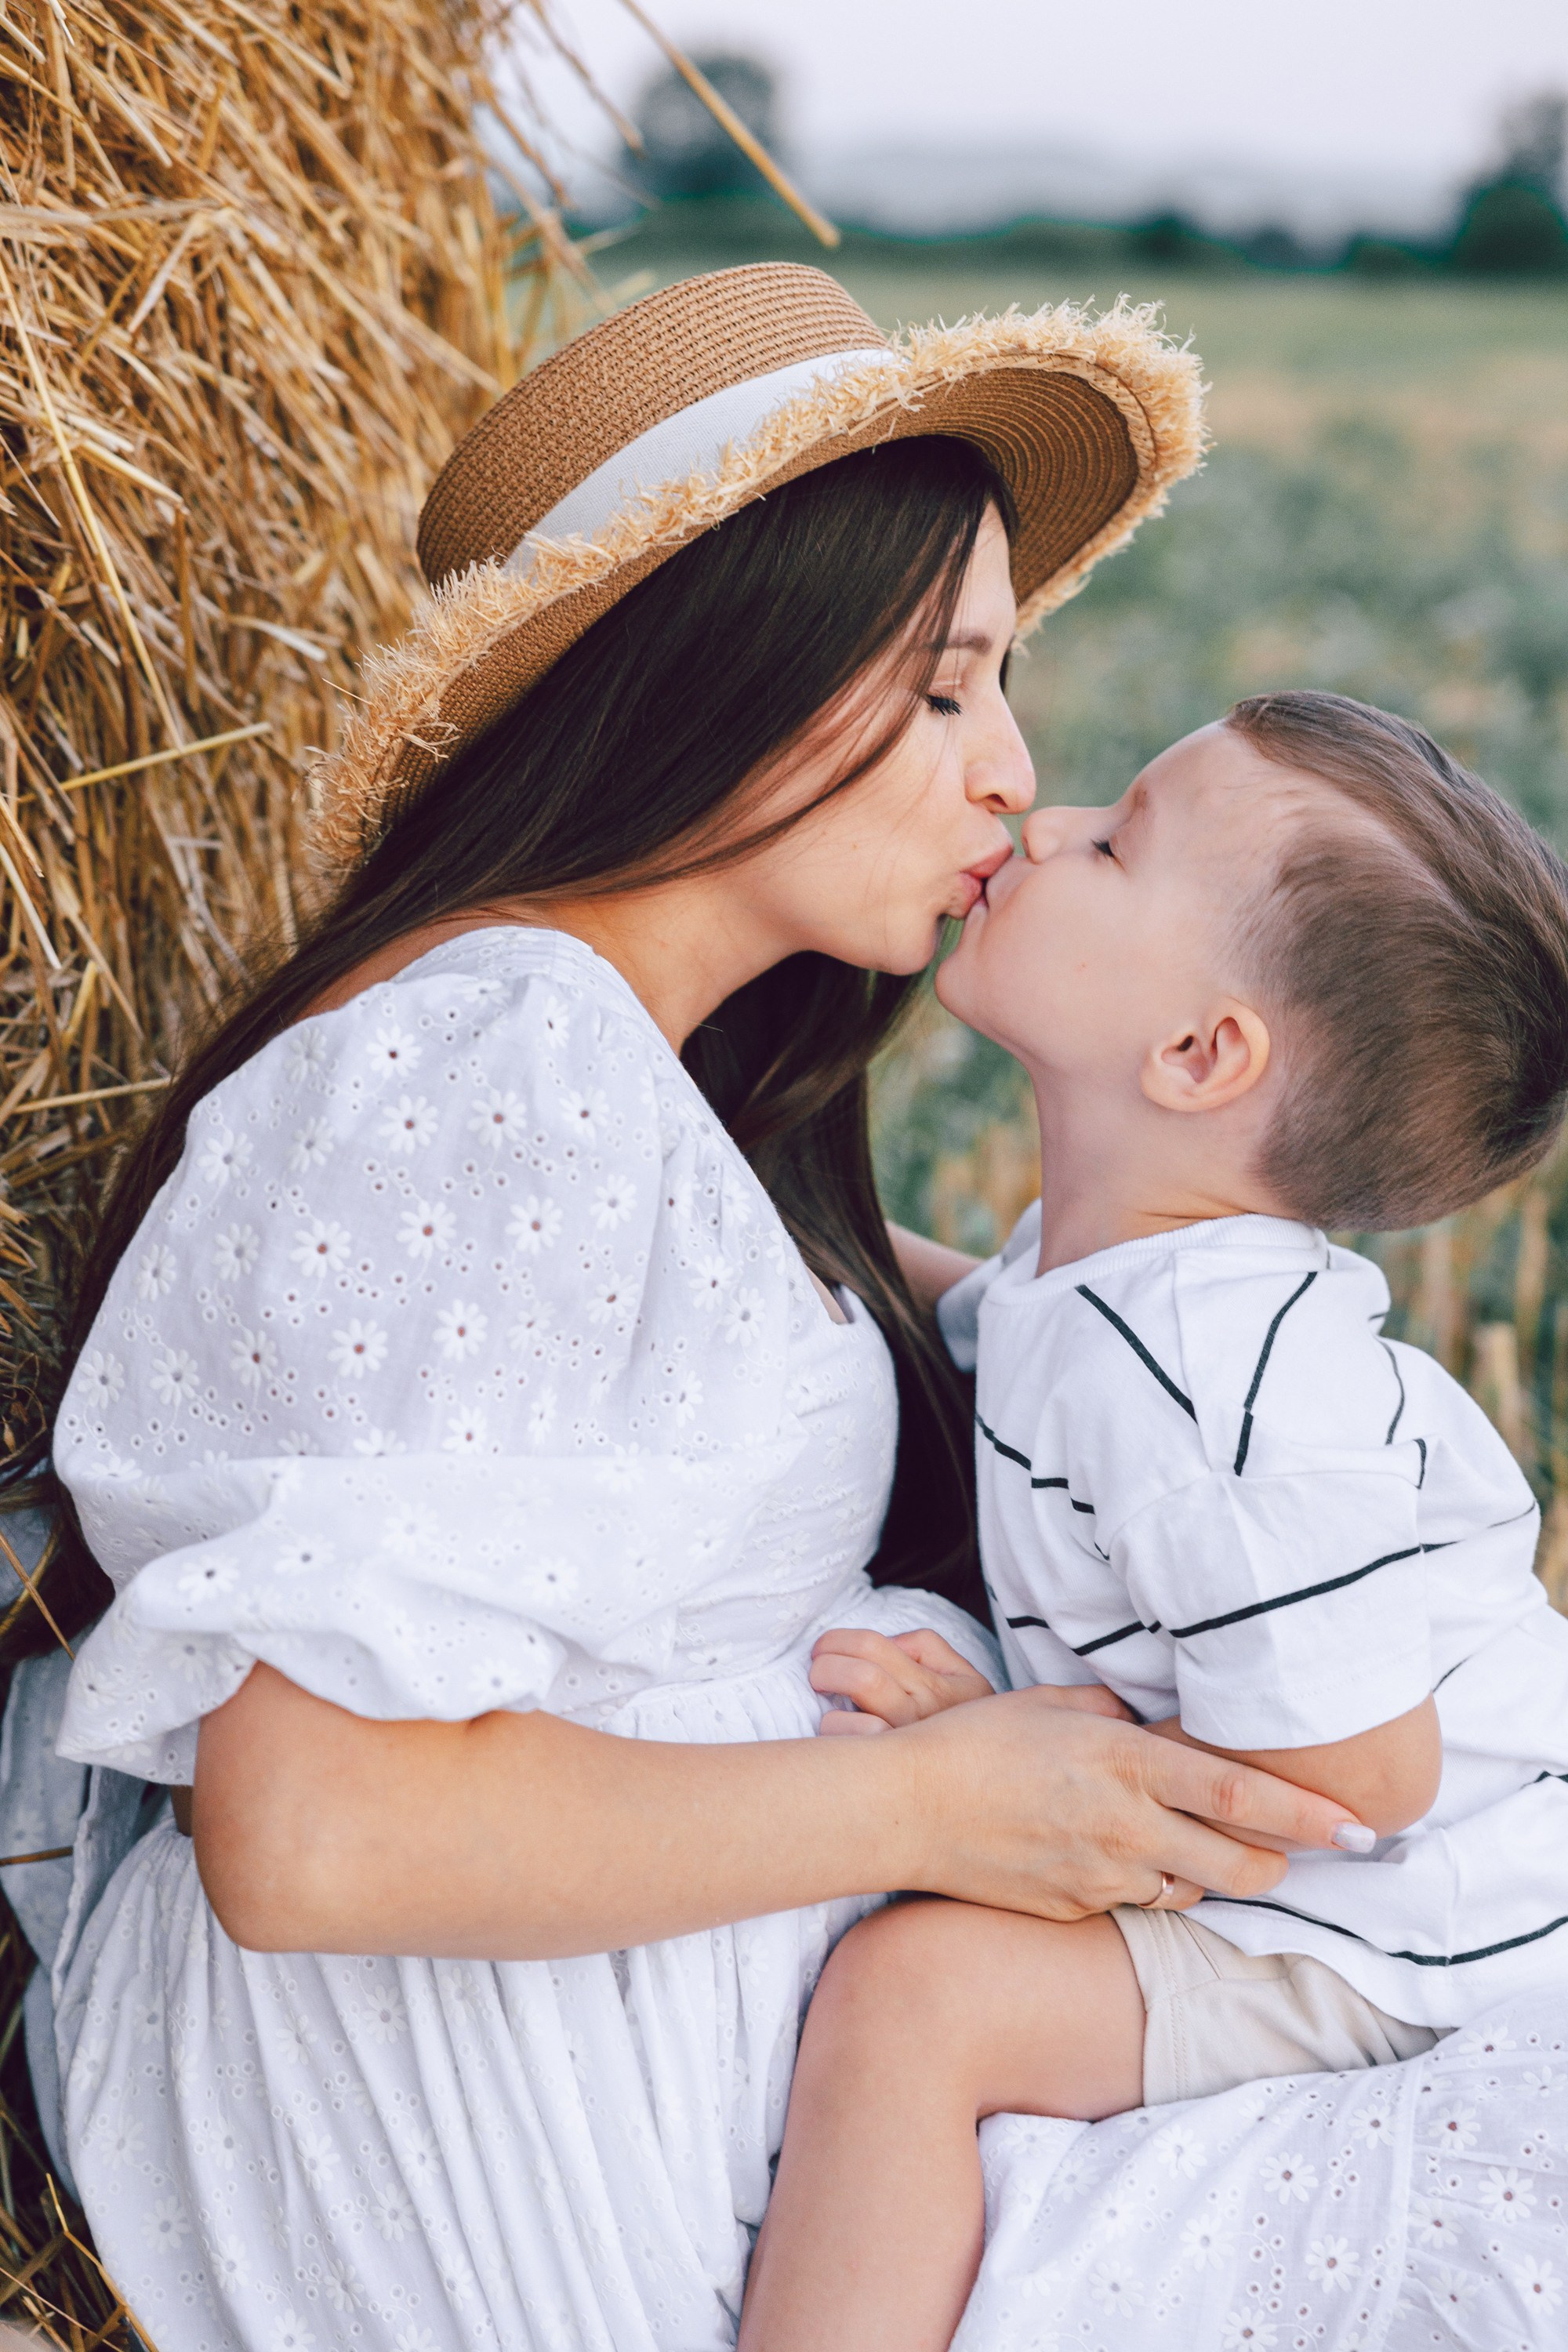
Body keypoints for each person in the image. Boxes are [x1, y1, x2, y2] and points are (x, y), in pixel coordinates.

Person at [6, 266, 1367, 2352]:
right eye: (943, 687)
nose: (1014, 773)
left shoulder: (638, 1094)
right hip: (496, 2153)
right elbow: (310, 1829)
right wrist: (942, 1804)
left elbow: (1009, 1366)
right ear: (725, 670)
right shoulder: (494, 1070)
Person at [739, 691, 1568, 2352]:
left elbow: (1363, 1776)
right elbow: (982, 1338)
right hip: (1380, 1875)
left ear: (1198, 1056)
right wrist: (747, 1199)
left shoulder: (1224, 1389)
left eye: (1112, 845)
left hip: (1405, 1930)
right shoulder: (1110, 1278)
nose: (1044, 824)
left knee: (915, 2004)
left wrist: (1031, 1743)